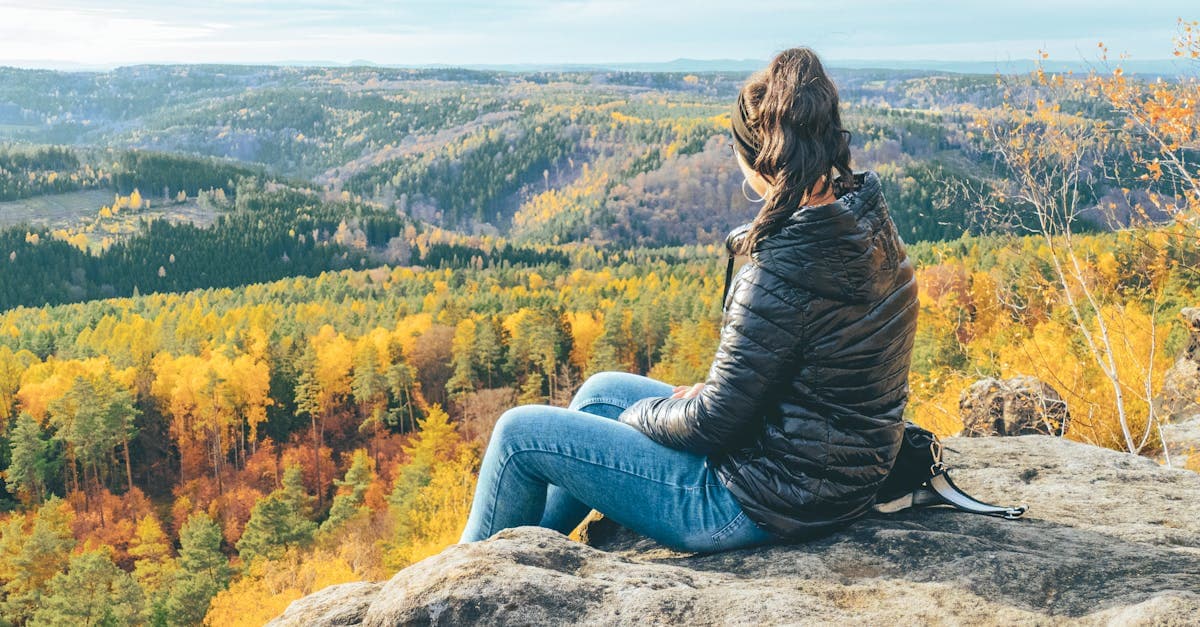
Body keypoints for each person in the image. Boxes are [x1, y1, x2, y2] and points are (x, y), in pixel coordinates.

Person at [458, 46, 919, 552]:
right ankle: (527, 551)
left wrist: (647, 414)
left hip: (755, 502)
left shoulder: (780, 274)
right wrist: (702, 401)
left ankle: (460, 579)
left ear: (759, 161)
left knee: (518, 433)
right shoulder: (869, 227)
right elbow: (813, 377)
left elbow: (709, 425)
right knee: (597, 393)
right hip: (824, 480)